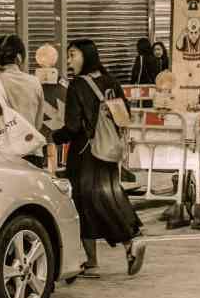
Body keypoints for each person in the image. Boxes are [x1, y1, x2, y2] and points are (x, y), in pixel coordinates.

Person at [50, 39, 147, 278]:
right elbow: (125, 115)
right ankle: (119, 248)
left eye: (73, 55)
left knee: (84, 203)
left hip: (85, 153)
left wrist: (53, 136)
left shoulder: (77, 86)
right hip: (108, 151)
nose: (70, 60)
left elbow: (72, 127)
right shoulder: (110, 81)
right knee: (110, 194)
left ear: (86, 56)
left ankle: (118, 247)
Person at [0, 34, 46, 168]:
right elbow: (38, 124)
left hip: (5, 156)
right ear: (20, 58)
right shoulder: (35, 82)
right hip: (32, 151)